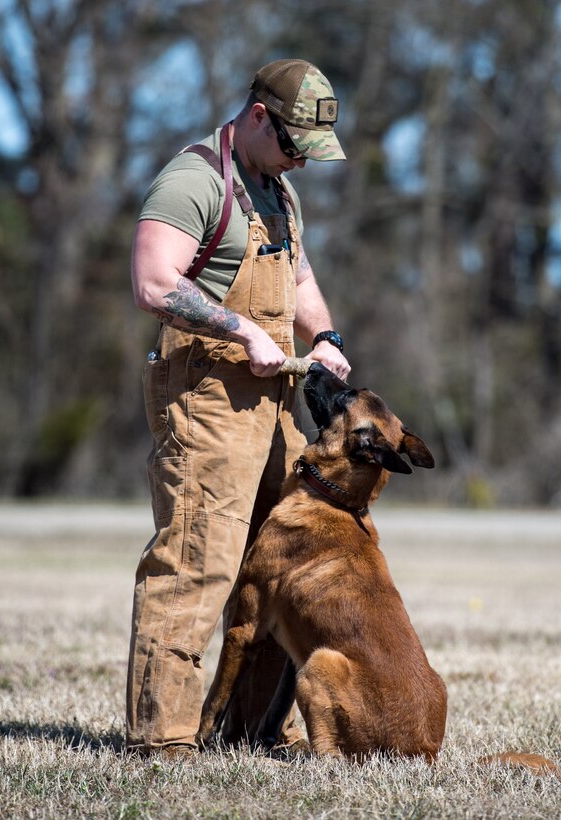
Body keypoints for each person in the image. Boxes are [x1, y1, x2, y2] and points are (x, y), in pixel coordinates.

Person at [126, 58, 351, 756]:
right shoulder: (195, 179)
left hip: (274, 400)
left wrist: (325, 337)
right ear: (258, 116)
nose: (301, 163)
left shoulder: (277, 189)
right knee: (198, 562)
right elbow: (153, 281)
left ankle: (256, 732)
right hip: (206, 400)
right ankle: (160, 742)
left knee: (278, 569)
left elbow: (299, 274)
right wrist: (240, 327)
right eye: (293, 146)